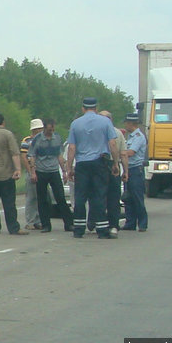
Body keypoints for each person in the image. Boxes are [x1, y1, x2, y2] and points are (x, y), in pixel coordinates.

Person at [65, 97, 120, 239]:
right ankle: (102, 229)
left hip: (82, 164)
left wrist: (69, 168)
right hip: (99, 162)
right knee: (99, 195)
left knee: (80, 196)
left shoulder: (75, 124)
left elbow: (72, 147)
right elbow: (113, 144)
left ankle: (78, 229)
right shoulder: (105, 122)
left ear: (83, 108)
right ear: (96, 108)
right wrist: (115, 163)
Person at [28, 118, 73, 233]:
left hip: (53, 171)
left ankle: (68, 223)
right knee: (42, 199)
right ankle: (46, 225)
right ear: (44, 128)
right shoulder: (38, 139)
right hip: (41, 171)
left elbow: (59, 155)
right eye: (49, 129)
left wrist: (64, 171)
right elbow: (32, 155)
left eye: (53, 128)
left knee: (60, 198)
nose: (51, 131)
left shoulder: (57, 137)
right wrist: (33, 172)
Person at [99, 110, 129, 238]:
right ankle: (113, 225)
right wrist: (125, 170)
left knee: (99, 196)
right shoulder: (117, 133)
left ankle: (100, 223)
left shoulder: (95, 132)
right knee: (113, 197)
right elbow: (123, 154)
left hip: (101, 165)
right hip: (112, 164)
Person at [122, 113, 148, 232]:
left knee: (137, 198)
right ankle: (130, 223)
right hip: (128, 169)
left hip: (135, 169)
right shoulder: (130, 137)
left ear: (131, 123)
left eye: (126, 123)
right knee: (128, 198)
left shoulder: (138, 136)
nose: (125, 125)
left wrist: (119, 154)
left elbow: (131, 152)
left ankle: (142, 223)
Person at [20, 119, 44, 230]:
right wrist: (30, 171)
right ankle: (30, 220)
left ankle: (39, 220)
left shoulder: (44, 140)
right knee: (31, 197)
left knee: (42, 196)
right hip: (31, 170)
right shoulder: (27, 140)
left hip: (43, 170)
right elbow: (24, 157)